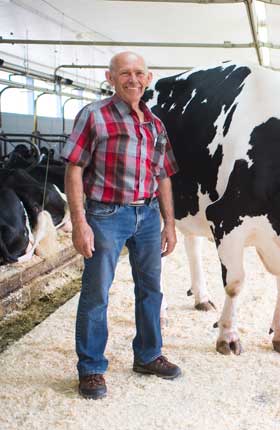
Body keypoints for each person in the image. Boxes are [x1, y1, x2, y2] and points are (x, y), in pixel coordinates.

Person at [62, 51, 181, 400]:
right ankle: (92, 368)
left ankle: (147, 355)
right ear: (110, 77)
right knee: (97, 293)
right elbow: (73, 168)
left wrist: (169, 224)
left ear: (149, 78)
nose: (133, 79)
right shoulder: (94, 116)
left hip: (146, 216)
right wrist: (79, 222)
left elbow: (163, 176)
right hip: (105, 216)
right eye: (124, 73)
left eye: (139, 73)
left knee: (151, 290)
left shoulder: (154, 124)